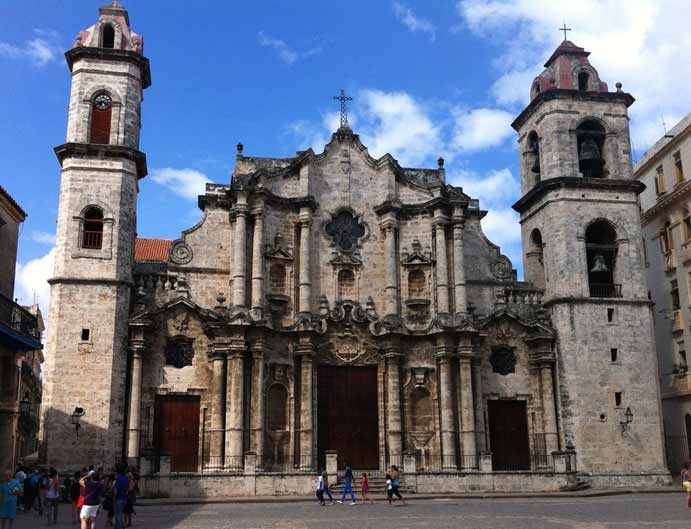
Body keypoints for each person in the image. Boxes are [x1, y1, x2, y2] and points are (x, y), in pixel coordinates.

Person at [113, 464, 129, 529]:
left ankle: (119, 527)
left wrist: (114, 497)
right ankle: (118, 526)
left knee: (118, 515)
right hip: (124, 498)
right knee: (120, 514)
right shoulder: (126, 478)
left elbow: (115, 490)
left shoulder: (118, 479)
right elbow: (129, 487)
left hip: (118, 498)